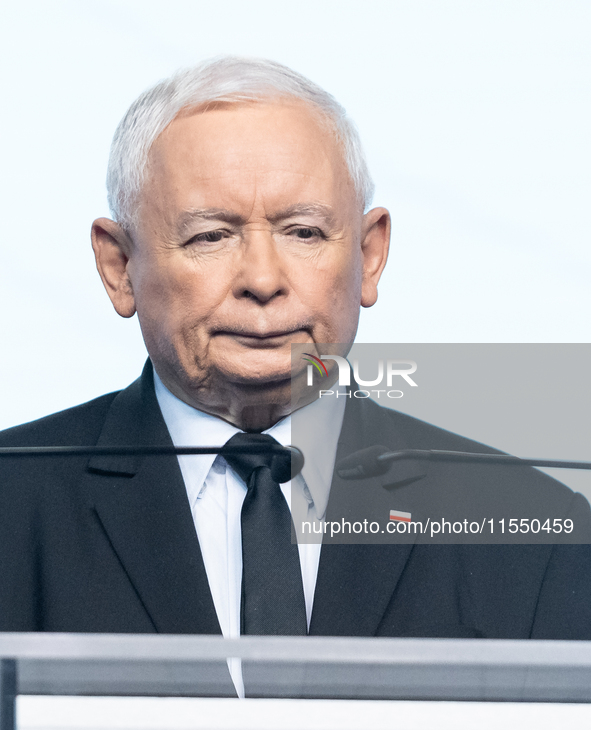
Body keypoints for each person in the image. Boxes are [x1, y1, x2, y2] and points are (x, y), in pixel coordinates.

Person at [0, 56, 590, 639]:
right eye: (211, 236)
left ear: (370, 256)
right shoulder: (14, 504)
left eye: (304, 232)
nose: (262, 279)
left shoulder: (534, 531)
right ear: (119, 267)